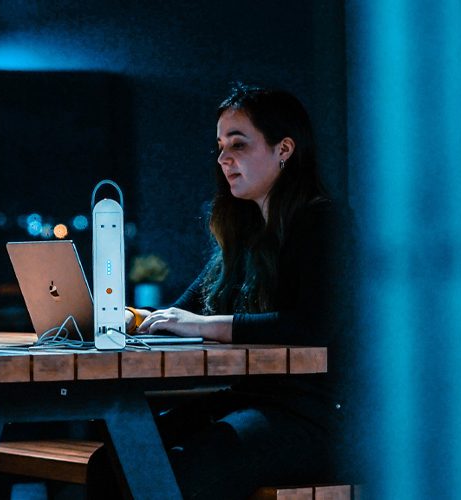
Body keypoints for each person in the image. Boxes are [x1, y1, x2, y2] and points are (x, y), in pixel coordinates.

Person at [124, 83, 357, 498]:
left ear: (284, 149)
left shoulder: (324, 221)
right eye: (219, 146)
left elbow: (310, 326)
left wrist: (208, 325)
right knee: (127, 451)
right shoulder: (246, 233)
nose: (223, 158)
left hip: (324, 417)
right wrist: (134, 319)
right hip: (254, 402)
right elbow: (183, 312)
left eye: (238, 144)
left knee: (196, 461)